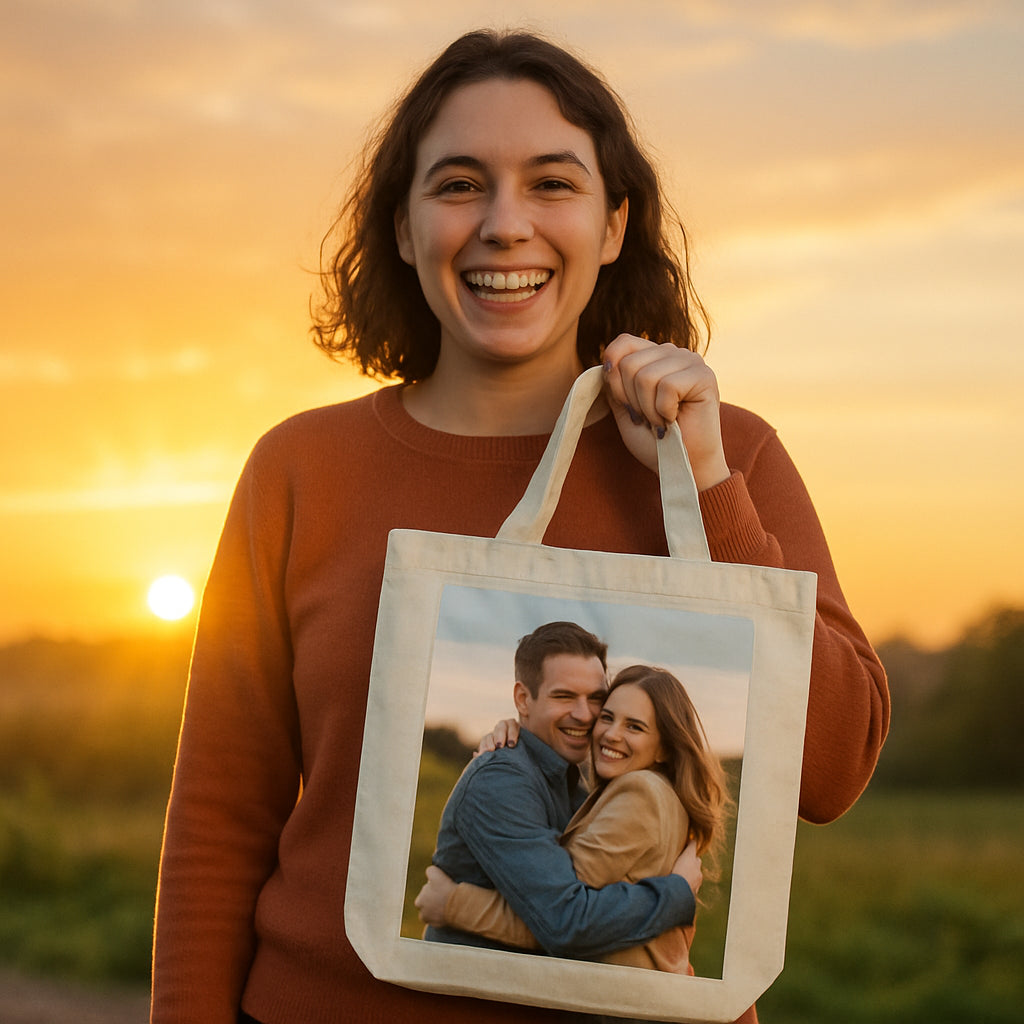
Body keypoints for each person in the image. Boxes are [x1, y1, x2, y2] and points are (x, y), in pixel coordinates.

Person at [150, 27, 890, 1024]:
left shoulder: (731, 455)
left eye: (552, 183)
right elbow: (218, 821)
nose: (505, 224)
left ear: (615, 222)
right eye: (458, 184)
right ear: (404, 228)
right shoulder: (300, 470)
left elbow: (832, 771)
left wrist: (708, 482)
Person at [418, 662, 728, 977]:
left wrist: (454, 904)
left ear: (664, 748)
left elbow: (564, 918)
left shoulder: (641, 793)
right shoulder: (652, 791)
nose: (612, 734)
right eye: (607, 718)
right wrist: (521, 737)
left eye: (634, 727)